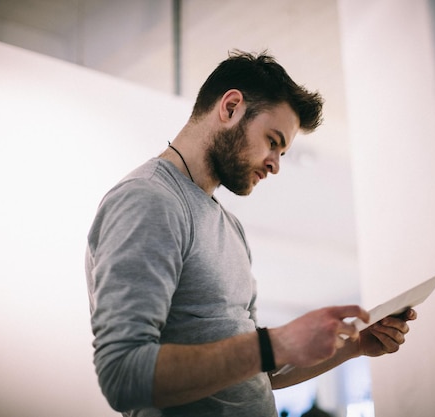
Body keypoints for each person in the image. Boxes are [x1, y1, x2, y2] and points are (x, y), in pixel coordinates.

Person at [85, 50, 416, 417]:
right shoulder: (149, 200)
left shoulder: (230, 227)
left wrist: (353, 345)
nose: (275, 165)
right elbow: (123, 375)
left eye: (283, 152)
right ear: (230, 108)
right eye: (273, 141)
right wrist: (275, 343)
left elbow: (259, 370)